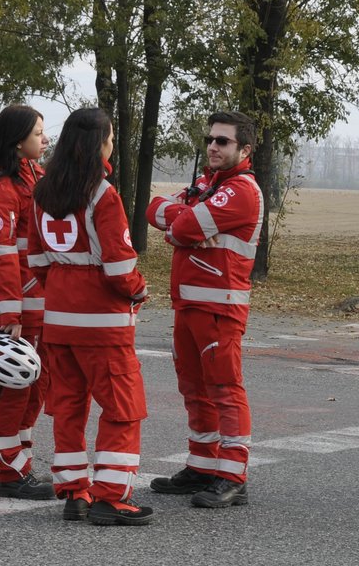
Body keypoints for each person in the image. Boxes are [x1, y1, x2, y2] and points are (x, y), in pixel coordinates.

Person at [26, 107, 154, 527]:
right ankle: (111, 497)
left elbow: (38, 261)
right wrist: (139, 289)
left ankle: (74, 493)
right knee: (122, 408)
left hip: (58, 318)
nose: (112, 144)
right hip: (102, 322)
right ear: (100, 143)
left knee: (68, 408)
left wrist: (62, 286)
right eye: (111, 137)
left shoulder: (43, 192)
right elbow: (119, 267)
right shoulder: (102, 194)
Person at [145, 112, 264, 509]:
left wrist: (184, 222)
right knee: (194, 389)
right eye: (211, 139)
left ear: (244, 150)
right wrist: (186, 220)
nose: (213, 146)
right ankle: (201, 465)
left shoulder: (241, 190)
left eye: (223, 141)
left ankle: (232, 476)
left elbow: (179, 229)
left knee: (225, 390)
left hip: (219, 308)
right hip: (190, 305)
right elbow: (154, 210)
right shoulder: (206, 184)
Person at [0, 104, 53, 499]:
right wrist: (10, 312)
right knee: (12, 388)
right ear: (17, 138)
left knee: (34, 388)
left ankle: (21, 463)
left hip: (40, 305)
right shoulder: (0, 186)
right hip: (18, 310)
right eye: (38, 132)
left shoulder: (34, 177)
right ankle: (7, 473)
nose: (44, 139)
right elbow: (1, 253)